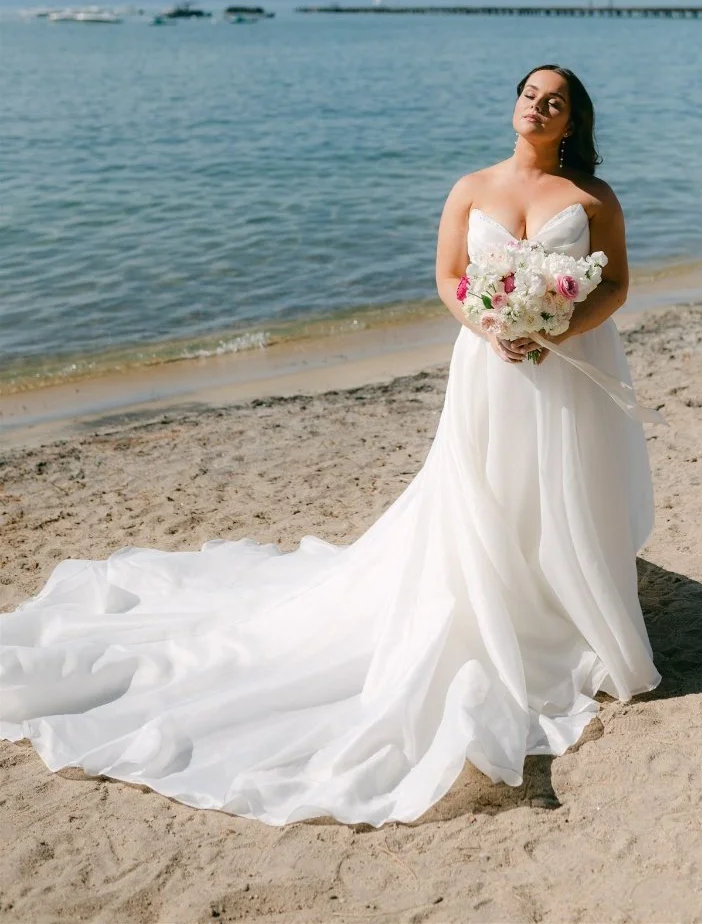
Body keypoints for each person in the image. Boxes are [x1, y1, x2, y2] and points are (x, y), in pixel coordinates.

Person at [0, 63, 662, 829]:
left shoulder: (592, 199)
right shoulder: (471, 188)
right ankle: (502, 607)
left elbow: (613, 286)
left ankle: (565, 607)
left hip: (568, 366)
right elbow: (450, 277)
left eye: (554, 101)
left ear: (573, 120)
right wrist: (492, 326)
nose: (537, 108)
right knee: (487, 490)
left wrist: (557, 327)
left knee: (564, 487)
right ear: (514, 107)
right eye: (528, 96)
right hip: (491, 367)